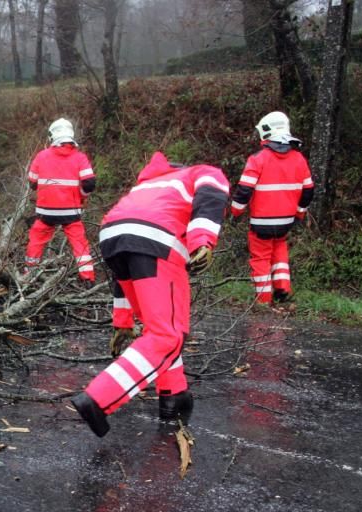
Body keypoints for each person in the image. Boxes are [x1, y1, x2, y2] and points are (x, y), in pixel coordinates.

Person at [71, 152, 230, 437]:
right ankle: (98, 399)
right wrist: (202, 240)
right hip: (157, 239)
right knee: (168, 335)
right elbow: (212, 193)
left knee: (158, 329)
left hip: (113, 237)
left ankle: (174, 395)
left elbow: (123, 277)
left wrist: (123, 321)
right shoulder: (200, 172)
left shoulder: (144, 188)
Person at [230, 111, 314, 305]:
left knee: (260, 258)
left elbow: (244, 191)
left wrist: (235, 212)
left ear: (266, 132)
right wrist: (299, 213)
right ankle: (283, 288)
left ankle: (263, 300)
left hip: (261, 221)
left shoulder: (258, 159)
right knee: (280, 250)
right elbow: (309, 191)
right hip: (286, 220)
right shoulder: (299, 159)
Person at [23, 118, 97, 282]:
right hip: (71, 211)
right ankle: (88, 278)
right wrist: (82, 196)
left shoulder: (41, 156)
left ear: (52, 136)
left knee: (36, 241)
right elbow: (90, 183)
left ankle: (28, 275)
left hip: (45, 211)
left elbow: (32, 183)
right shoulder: (80, 158)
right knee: (79, 244)